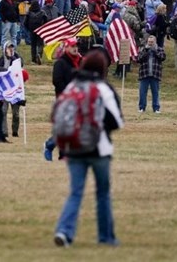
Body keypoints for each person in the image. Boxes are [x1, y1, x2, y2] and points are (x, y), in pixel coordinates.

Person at [53, 49, 124, 248]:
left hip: (73, 148)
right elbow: (117, 121)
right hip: (99, 148)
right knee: (102, 193)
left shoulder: (72, 87)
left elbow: (58, 114)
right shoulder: (103, 89)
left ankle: (64, 231)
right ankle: (106, 237)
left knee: (75, 192)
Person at [44, 38, 83, 160]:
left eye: (76, 46)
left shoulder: (81, 62)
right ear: (66, 48)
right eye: (72, 46)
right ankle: (50, 146)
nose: (75, 48)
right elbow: (57, 81)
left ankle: (64, 153)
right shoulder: (60, 63)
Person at [0, 42, 25, 138]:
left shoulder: (17, 60)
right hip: (4, 90)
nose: (10, 50)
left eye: (12, 48)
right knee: (3, 111)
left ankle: (15, 131)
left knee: (15, 113)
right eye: (8, 48)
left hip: (15, 90)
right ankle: (4, 132)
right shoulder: (0, 61)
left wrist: (12, 58)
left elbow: (20, 70)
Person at [137, 35, 166, 114]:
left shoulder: (159, 49)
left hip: (155, 74)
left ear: (155, 42)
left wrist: (155, 51)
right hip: (144, 74)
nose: (150, 44)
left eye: (152, 42)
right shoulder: (143, 49)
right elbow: (138, 59)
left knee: (155, 92)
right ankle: (142, 108)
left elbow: (163, 57)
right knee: (142, 92)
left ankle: (156, 108)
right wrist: (146, 51)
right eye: (149, 42)